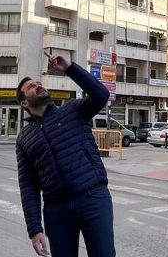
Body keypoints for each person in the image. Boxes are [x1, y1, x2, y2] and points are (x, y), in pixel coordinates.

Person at [16, 52, 114, 257]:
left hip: (92, 198)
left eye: (39, 83)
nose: (38, 85)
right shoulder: (24, 138)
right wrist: (34, 229)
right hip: (57, 210)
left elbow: (101, 95)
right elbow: (28, 186)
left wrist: (69, 68)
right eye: (31, 87)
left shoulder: (73, 110)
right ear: (25, 103)